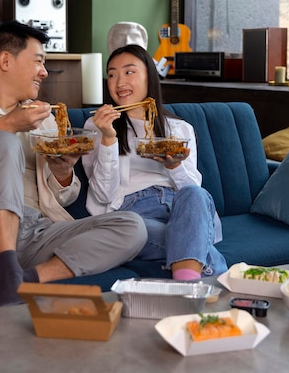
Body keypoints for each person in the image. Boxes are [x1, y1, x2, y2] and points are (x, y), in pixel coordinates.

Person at [0, 21, 147, 308]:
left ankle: (17, 280)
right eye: (38, 61)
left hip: (31, 231)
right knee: (2, 141)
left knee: (133, 227)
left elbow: (62, 198)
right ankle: (9, 276)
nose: (44, 72)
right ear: (6, 61)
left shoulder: (43, 119)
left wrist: (62, 171)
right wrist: (5, 125)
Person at [82, 44, 227, 280]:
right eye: (112, 74)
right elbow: (103, 195)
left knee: (194, 194)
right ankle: (197, 279)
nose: (119, 82)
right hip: (133, 214)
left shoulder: (179, 128)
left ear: (150, 75)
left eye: (129, 72)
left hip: (181, 208)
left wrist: (174, 166)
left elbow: (193, 191)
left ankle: (186, 282)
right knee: (190, 244)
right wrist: (109, 138)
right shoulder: (97, 127)